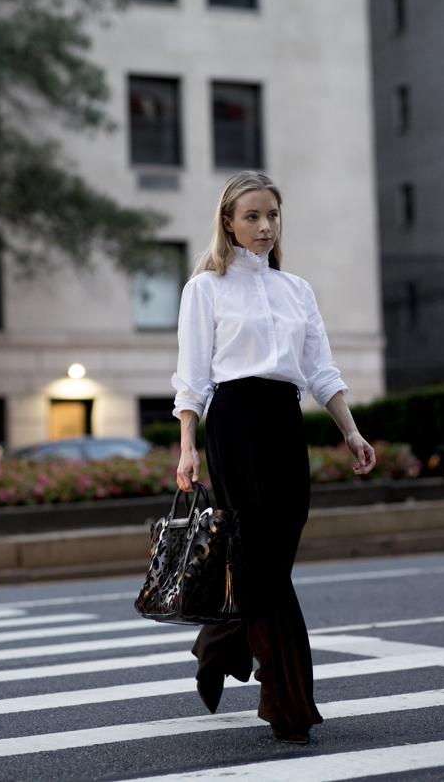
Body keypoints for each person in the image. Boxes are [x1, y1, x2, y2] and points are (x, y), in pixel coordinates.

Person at [171, 170, 376, 745]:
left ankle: (219, 641)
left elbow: (320, 371)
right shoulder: (205, 288)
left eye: (272, 216)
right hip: (234, 424)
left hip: (285, 424)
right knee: (259, 562)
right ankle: (289, 704)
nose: (265, 226)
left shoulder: (296, 290)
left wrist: (352, 433)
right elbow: (191, 378)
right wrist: (187, 448)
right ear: (229, 223)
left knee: (272, 559)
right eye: (252, 216)